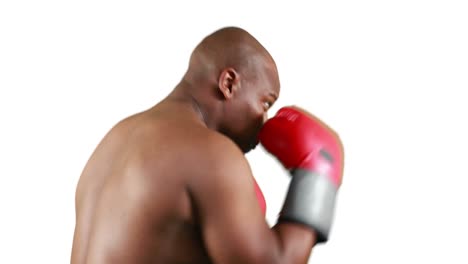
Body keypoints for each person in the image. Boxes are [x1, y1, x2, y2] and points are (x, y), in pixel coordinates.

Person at [71, 26, 344, 264]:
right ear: (229, 83)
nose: (264, 121)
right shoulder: (210, 154)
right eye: (265, 103)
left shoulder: (115, 139)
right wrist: (318, 173)